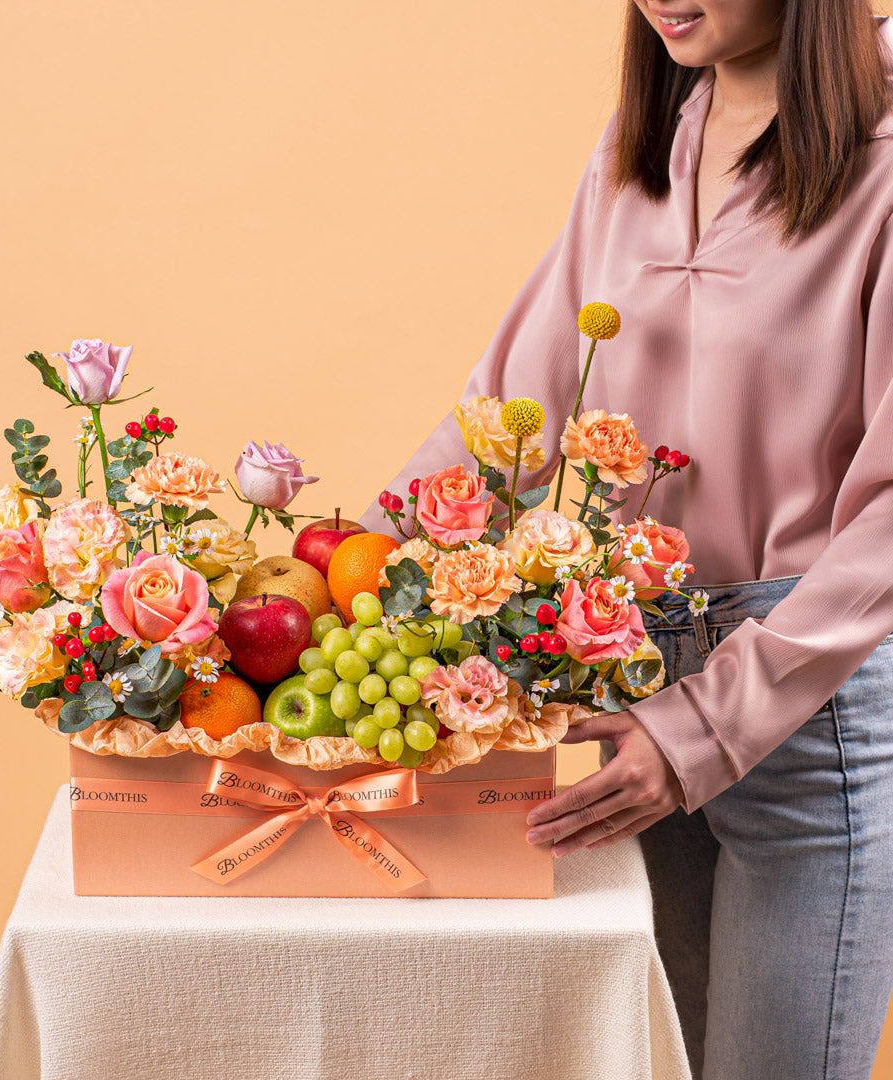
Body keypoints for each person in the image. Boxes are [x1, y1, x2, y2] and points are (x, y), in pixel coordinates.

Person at [358, 2, 893, 1077]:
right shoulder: (642, 144)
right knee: (655, 1061)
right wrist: (343, 572)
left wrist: (706, 727)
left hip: (804, 693)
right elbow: (515, 404)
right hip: (619, 669)